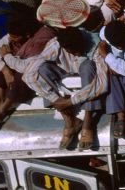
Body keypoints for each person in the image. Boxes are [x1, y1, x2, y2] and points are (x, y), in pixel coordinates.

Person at [24, 23, 108, 151]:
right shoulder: (56, 44)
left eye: (77, 50)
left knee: (87, 65)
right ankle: (69, 121)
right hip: (64, 74)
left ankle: (87, 123)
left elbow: (101, 85)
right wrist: (57, 100)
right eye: (71, 52)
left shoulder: (96, 46)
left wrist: (70, 102)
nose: (76, 53)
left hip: (87, 77)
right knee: (42, 68)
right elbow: (29, 74)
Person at [0, 14, 55, 133]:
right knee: (2, 67)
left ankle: (2, 110)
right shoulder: (17, 32)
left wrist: (7, 55)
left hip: (42, 70)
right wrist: (5, 71)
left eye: (14, 37)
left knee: (22, 76)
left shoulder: (40, 40)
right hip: (22, 63)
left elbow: (26, 67)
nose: (10, 39)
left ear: (27, 35)